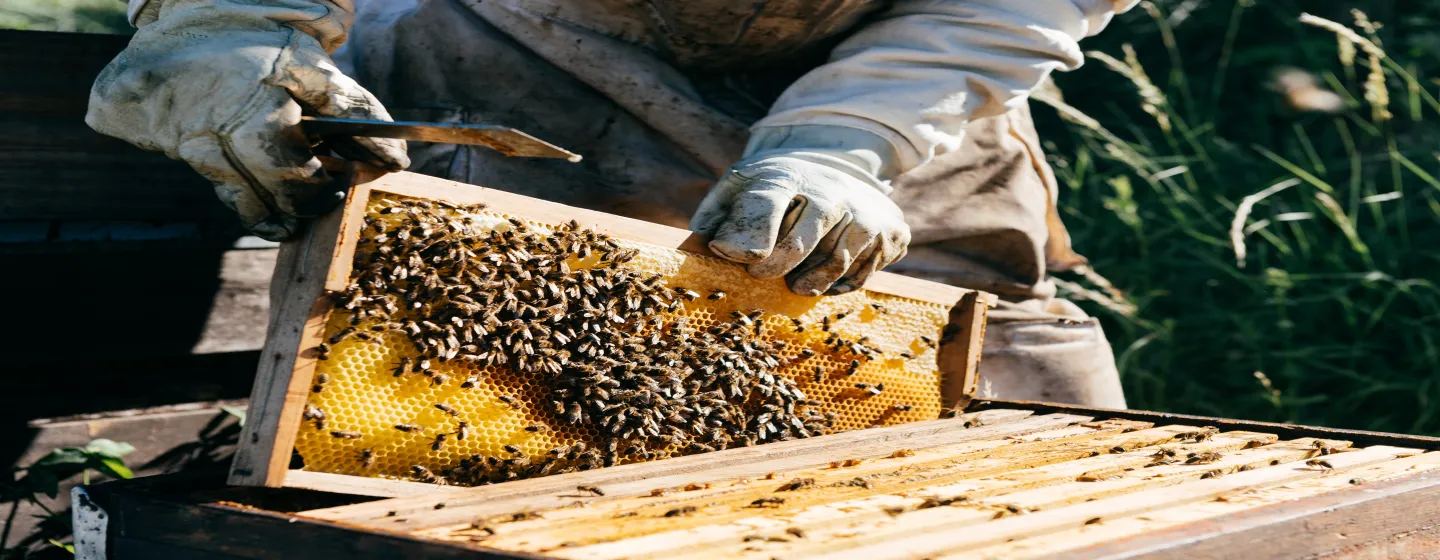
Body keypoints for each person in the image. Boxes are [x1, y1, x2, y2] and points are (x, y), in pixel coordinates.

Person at [87, 0, 1133, 408]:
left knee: (999, 390)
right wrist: (221, 23)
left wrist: (848, 143)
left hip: (910, 68)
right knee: (488, 392)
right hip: (519, 40)